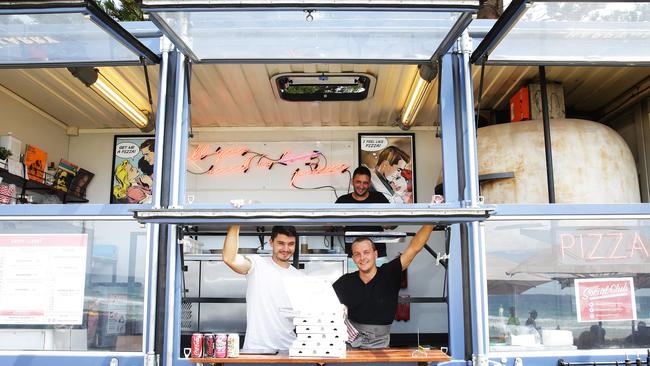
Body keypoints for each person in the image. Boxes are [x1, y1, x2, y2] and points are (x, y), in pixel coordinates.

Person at [332, 225, 434, 348]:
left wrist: (432, 221)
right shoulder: (345, 281)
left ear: (375, 254)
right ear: (353, 258)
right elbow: (322, 304)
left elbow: (414, 247)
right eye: (357, 254)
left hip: (379, 344)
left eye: (366, 252)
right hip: (349, 340)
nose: (362, 258)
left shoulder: (389, 273)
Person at [222, 224, 305, 351]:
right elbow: (229, 259)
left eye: (291, 244)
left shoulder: (300, 277)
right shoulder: (257, 265)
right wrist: (236, 221)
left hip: (289, 351)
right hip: (256, 350)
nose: (286, 248)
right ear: (271, 242)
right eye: (281, 243)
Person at [335, 166, 390, 260]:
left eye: (365, 183)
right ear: (352, 181)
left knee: (380, 275)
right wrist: (338, 224)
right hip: (353, 254)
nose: (361, 186)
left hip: (377, 254)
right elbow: (331, 224)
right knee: (353, 275)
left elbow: (394, 223)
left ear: (369, 184)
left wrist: (388, 224)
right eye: (358, 182)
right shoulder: (343, 200)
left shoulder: (379, 198)